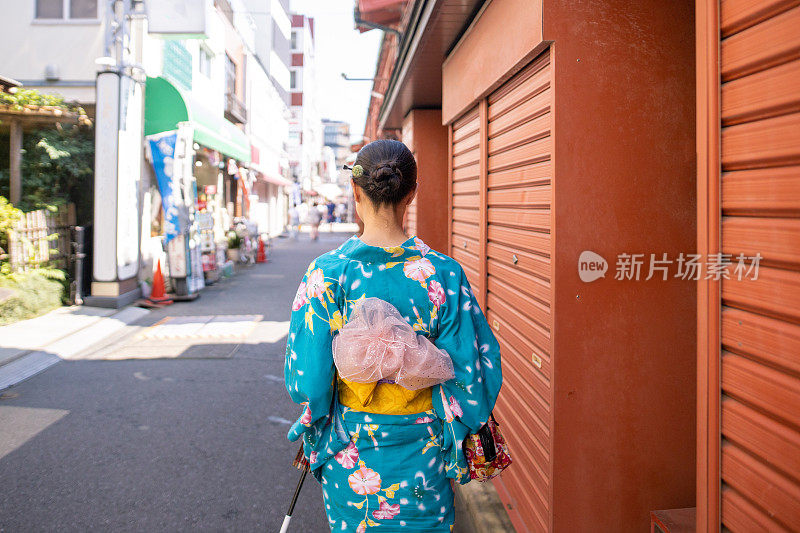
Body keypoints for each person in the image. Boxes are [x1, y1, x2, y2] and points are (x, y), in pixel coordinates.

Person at [284, 139, 503, 532]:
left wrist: (314, 422)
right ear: (412, 194)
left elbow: (309, 380)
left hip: (351, 452)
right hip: (424, 451)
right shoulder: (443, 274)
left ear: (355, 193)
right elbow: (473, 371)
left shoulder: (326, 275)